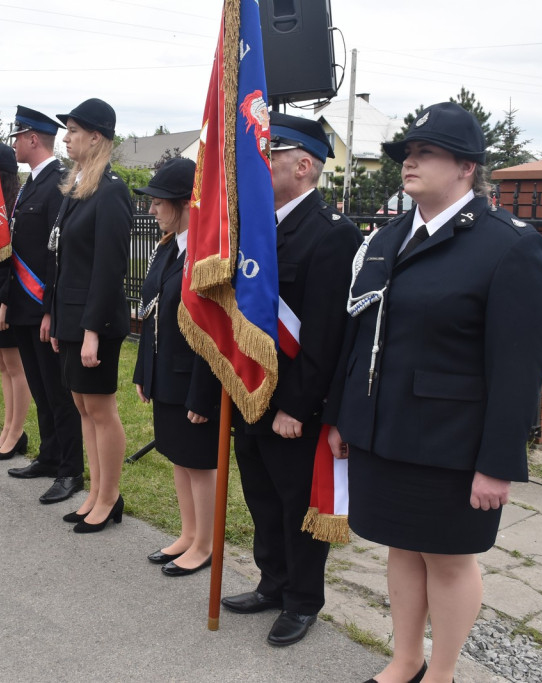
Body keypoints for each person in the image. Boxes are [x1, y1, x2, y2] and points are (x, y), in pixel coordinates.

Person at [325, 102, 542, 683]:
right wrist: (343, 418)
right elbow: (360, 335)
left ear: (466, 168)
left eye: (426, 152)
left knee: (448, 560)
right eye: (407, 153)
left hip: (453, 442)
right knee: (402, 547)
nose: (410, 162)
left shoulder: (507, 246)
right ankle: (406, 659)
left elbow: (518, 366)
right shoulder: (390, 236)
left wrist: (498, 463)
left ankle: (443, 672)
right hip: (385, 429)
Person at [220, 112, 361, 647]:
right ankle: (271, 583)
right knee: (261, 496)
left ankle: (302, 600)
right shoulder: (260, 229)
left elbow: (325, 334)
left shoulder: (333, 234)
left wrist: (297, 407)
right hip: (252, 393)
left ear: (304, 166)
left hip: (292, 405)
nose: (261, 164)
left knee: (296, 504)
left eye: (270, 156)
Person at [132, 157, 220, 576]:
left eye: (158, 203)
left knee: (199, 463)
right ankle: (188, 533)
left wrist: (204, 394)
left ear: (186, 203)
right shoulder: (169, 248)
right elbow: (152, 313)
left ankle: (206, 544)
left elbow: (212, 331)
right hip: (165, 372)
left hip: (193, 380)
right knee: (178, 458)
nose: (151, 210)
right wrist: (142, 372)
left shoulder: (207, 254)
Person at [49, 98, 132, 532]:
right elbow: (62, 260)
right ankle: (95, 493)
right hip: (70, 318)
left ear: (96, 136)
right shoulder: (79, 185)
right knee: (82, 406)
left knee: (100, 408)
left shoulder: (112, 190)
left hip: (94, 323)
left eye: (74, 131)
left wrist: (91, 331)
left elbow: (108, 268)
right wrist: (55, 317)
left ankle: (109, 496)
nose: (66, 138)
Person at [2, 106, 86, 506]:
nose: (13, 143)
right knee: (40, 388)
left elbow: (57, 252)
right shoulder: (31, 185)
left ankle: (70, 469)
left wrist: (50, 308)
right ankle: (50, 456)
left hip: (41, 305)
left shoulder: (57, 183)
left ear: (33, 138)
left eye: (17, 136)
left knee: (58, 392)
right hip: (22, 304)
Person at [0, 142, 32, 459]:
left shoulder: (13, 204)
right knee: (2, 365)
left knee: (15, 367)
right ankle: (7, 428)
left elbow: (14, 261)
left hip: (10, 297)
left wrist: (4, 304)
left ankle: (17, 432)